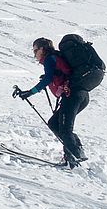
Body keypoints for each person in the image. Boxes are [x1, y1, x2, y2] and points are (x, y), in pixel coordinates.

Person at [14, 37, 89, 166]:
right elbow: (57, 75)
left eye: (35, 50)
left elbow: (47, 79)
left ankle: (73, 160)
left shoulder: (49, 59)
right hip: (80, 96)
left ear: (42, 49)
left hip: (73, 96)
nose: (34, 54)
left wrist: (30, 92)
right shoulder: (55, 58)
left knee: (65, 129)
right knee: (54, 124)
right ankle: (77, 152)